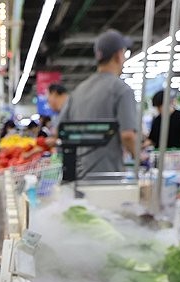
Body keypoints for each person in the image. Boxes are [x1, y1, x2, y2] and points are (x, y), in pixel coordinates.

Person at [58, 29, 141, 177]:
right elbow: (128, 135)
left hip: (78, 177)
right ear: (118, 55)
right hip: (108, 178)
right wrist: (139, 157)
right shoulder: (121, 90)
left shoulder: (78, 90)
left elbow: (61, 130)